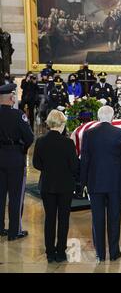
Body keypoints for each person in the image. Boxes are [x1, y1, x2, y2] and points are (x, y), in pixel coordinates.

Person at [80, 106, 121, 262]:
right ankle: (114, 253)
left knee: (97, 218)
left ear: (98, 117)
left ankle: (100, 253)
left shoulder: (88, 134)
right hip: (115, 181)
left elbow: (85, 160)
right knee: (114, 217)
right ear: (112, 117)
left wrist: (83, 183)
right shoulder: (120, 133)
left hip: (95, 181)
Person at [32, 110, 79, 262]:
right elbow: (74, 166)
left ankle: (50, 253)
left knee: (49, 219)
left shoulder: (40, 141)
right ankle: (60, 252)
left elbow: (36, 164)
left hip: (47, 185)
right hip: (65, 186)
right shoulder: (68, 143)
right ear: (62, 124)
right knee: (63, 219)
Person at [0, 83, 34, 240]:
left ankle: (0, 228)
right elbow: (29, 137)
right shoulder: (18, 115)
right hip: (15, 157)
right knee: (15, 196)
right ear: (12, 97)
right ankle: (14, 231)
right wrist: (23, 149)